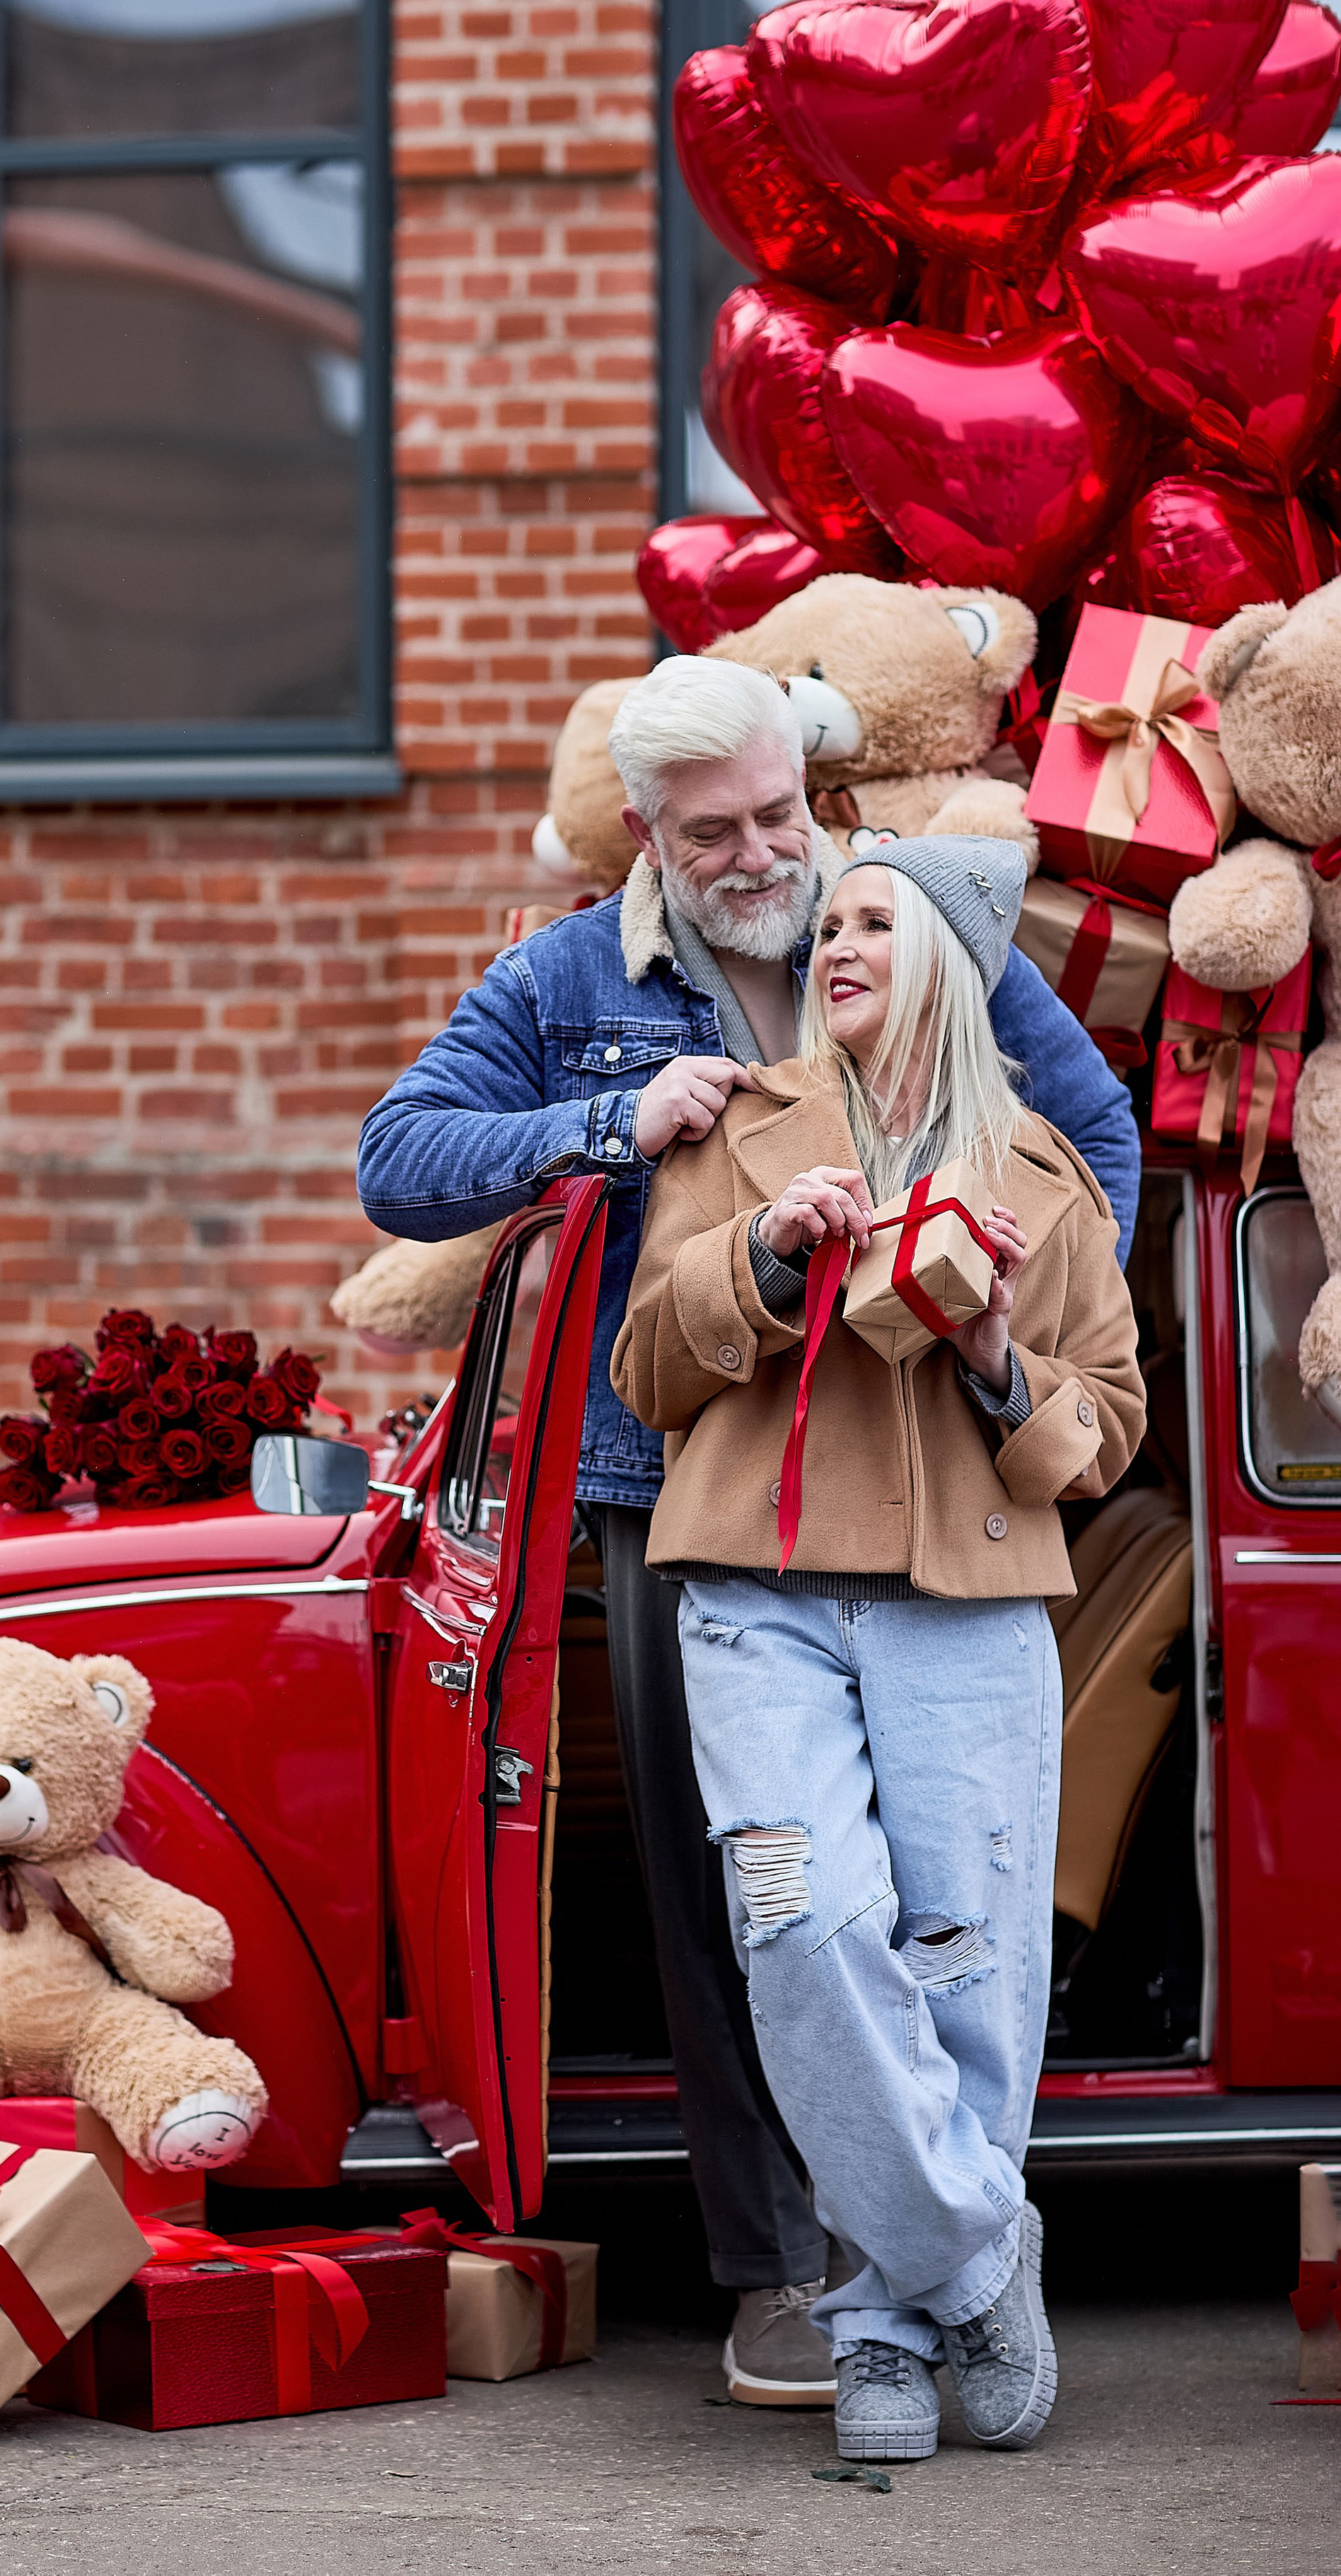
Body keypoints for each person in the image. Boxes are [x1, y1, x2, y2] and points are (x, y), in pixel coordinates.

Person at [354, 657, 1142, 2407]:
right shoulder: (570, 976)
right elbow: (399, 1163)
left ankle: (908, 2267)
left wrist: (1003, 1304)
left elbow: (1084, 1140)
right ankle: (786, 2271)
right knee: (747, 1901)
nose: (759, 853)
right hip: (678, 1480)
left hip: (940, 1492)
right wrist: (605, 1126)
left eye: (782, 813)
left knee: (954, 1907)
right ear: (646, 833)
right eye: (713, 831)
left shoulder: (911, 925)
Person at [610, 832, 1146, 2461]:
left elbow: (1104, 1432)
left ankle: (882, 2330)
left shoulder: (1045, 1176)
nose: (831, 941)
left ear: (947, 959)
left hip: (968, 1607)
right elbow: (645, 1373)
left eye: (868, 920)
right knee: (799, 1930)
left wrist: (995, 1357)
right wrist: (759, 1257)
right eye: (823, 921)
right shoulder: (740, 1133)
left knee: (966, 1964)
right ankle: (979, 2252)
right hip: (758, 1591)